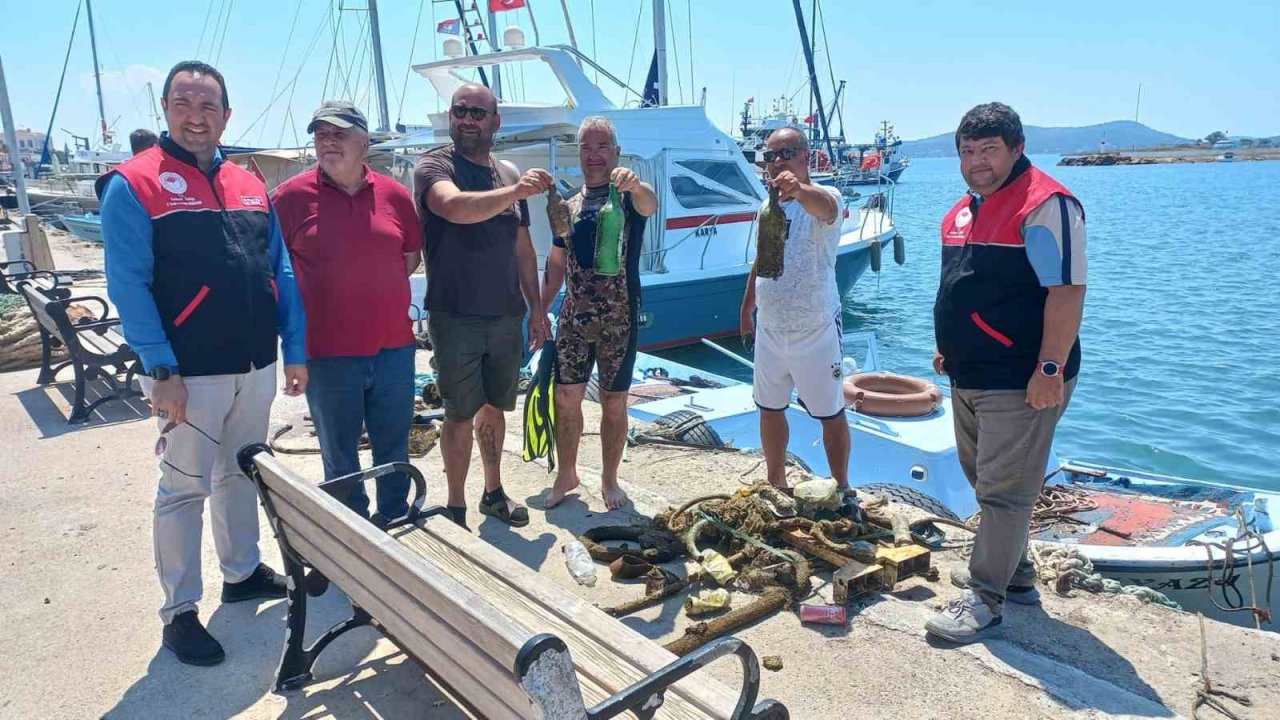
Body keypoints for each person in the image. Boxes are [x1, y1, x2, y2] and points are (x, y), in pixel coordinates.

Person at [96, 60, 308, 666]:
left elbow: (280, 270)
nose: (196, 115)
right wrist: (160, 369)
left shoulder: (247, 183)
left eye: (208, 104)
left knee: (240, 472)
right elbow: (129, 284)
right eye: (184, 102)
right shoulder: (134, 183)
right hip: (186, 372)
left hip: (253, 362)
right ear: (165, 108)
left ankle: (240, 574)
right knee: (183, 490)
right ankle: (180, 612)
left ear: (226, 115)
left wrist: (293, 348)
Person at [925, 102, 1087, 644]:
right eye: (968, 152)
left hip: (1020, 376)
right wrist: (947, 346)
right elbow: (965, 288)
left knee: (1004, 492)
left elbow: (1066, 293)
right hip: (969, 373)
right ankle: (1015, 574)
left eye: (989, 150)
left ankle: (985, 600)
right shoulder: (963, 211)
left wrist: (1049, 368)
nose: (977, 162)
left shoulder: (1045, 205)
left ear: (1017, 149)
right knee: (982, 477)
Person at [272, 101, 423, 526]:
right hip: (328, 354)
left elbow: (409, 257)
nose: (327, 142)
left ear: (364, 141)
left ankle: (393, 520)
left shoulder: (396, 195)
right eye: (320, 134)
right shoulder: (290, 198)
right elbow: (274, 274)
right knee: (339, 457)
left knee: (393, 448)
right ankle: (353, 532)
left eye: (338, 133)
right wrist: (293, 351)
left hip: (394, 349)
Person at [413, 84, 552, 530]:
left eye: (478, 112)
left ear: (496, 121)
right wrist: (514, 193)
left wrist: (537, 308)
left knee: (496, 407)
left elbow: (524, 250)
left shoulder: (507, 171)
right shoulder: (435, 165)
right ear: (450, 117)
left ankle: (493, 492)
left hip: (507, 314)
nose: (468, 119)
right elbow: (452, 207)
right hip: (456, 315)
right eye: (460, 111)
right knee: (458, 414)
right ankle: (455, 509)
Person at [541, 116, 657, 511]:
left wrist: (636, 183)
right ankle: (566, 474)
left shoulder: (626, 197)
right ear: (579, 154)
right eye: (587, 147)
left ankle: (610, 480)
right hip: (574, 318)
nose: (594, 155)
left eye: (602, 146)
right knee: (566, 397)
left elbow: (650, 203)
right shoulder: (567, 205)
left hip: (619, 320)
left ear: (616, 152)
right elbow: (556, 263)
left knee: (613, 403)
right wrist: (540, 310)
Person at [738, 127, 851, 497]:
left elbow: (829, 209)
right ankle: (776, 482)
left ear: (806, 156)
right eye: (771, 156)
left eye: (787, 152)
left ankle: (843, 488)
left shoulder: (823, 197)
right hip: (771, 329)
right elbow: (762, 257)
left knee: (830, 413)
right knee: (769, 409)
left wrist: (799, 190)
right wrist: (746, 306)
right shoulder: (766, 207)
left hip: (814, 328)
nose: (778, 161)